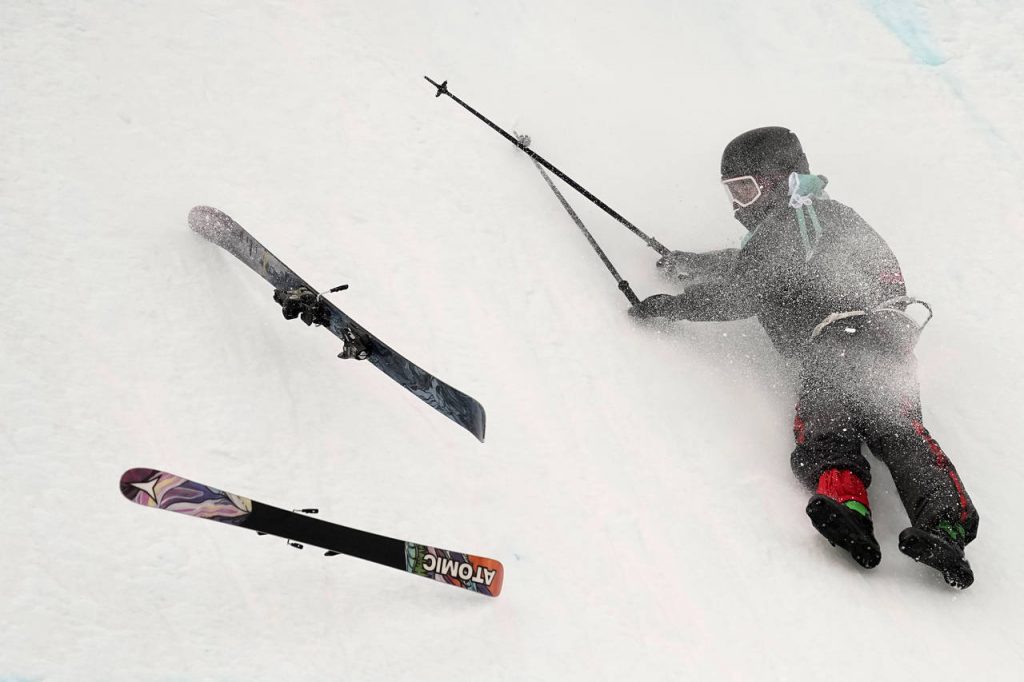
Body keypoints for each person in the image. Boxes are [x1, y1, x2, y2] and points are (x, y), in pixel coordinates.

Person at [630, 127, 979, 588]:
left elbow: (746, 289)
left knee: (826, 422)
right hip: (886, 348)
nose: (737, 205)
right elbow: (754, 263)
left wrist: (676, 307)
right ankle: (945, 527)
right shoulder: (827, 218)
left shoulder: (788, 223)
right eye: (732, 192)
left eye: (745, 190)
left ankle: (848, 505)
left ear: (779, 181)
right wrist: (690, 262)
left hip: (833, 344)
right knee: (900, 431)